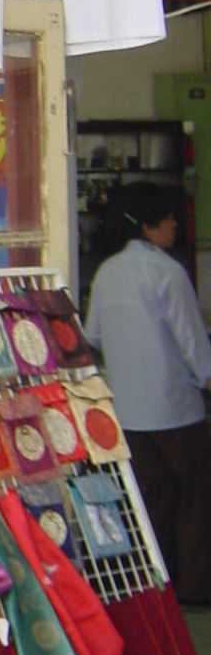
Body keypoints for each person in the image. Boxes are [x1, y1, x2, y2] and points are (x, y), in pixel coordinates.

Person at [84, 182, 211, 603]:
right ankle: (194, 589)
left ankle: (158, 583)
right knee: (195, 501)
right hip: (177, 411)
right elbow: (195, 345)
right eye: (170, 217)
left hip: (129, 413)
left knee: (150, 503)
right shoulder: (168, 273)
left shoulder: (107, 273)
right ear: (149, 225)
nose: (176, 224)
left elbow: (93, 336)